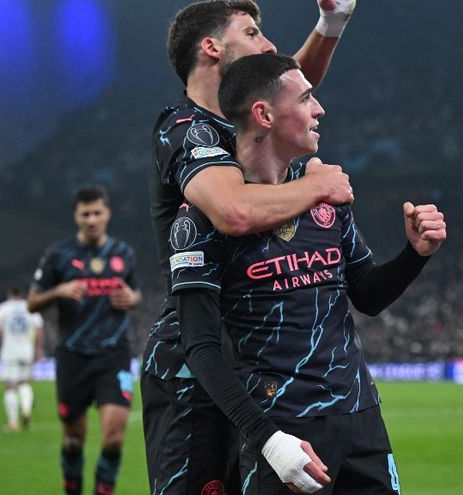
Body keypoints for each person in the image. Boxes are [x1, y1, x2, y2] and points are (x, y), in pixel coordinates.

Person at [169, 52, 446, 494]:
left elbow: (367, 294)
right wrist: (270, 441)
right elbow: (200, 349)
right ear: (264, 115)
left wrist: (415, 254)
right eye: (305, 98)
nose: (320, 109)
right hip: (283, 431)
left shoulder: (325, 192)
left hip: (360, 420)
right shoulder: (201, 219)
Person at [142, 1, 358, 493]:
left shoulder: (247, 122)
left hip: (257, 361)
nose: (269, 43)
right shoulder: (186, 128)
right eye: (253, 32)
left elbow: (291, 85)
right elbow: (233, 211)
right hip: (195, 363)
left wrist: (331, 23)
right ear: (212, 47)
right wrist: (316, 186)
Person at [27, 184, 141, 495]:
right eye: (85, 214)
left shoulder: (123, 253)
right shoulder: (58, 255)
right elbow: (32, 302)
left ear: (107, 214)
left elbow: (136, 294)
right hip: (72, 356)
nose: (92, 220)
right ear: (76, 216)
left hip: (114, 354)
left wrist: (133, 298)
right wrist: (59, 291)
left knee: (114, 437)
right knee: (73, 441)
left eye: (97, 213)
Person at [0, 286, 45, 432]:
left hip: (10, 351)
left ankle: (13, 423)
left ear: (9, 294)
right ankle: (26, 409)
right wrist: (39, 349)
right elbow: (39, 329)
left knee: (10, 386)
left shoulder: (3, 308)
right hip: (27, 351)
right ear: (21, 295)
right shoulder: (29, 307)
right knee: (24, 382)